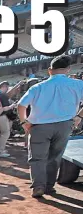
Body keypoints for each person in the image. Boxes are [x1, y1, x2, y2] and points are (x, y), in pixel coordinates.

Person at [17, 54, 83, 198]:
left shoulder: (38, 87)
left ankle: (38, 186)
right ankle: (49, 186)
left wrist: (24, 122)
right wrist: (79, 116)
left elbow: (21, 105)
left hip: (39, 127)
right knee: (55, 157)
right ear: (68, 69)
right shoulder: (78, 84)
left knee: (37, 158)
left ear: (49, 70)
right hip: (64, 125)